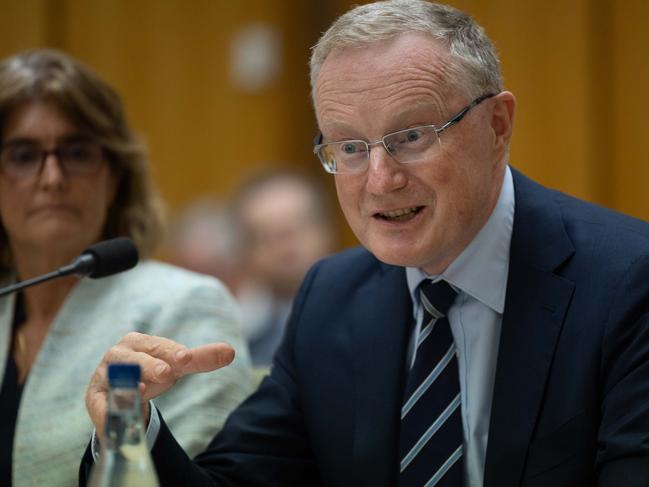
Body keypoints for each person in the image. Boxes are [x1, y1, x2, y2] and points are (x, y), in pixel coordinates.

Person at [81, 1, 649, 486]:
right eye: (349, 147)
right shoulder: (331, 297)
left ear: (498, 126)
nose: (380, 180)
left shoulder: (627, 281)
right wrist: (128, 420)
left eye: (411, 137)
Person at [0, 49, 254, 487]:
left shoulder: (187, 306)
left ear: (114, 175)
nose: (52, 178)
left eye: (77, 153)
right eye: (24, 156)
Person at [231, 168, 336, 366]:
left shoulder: (380, 312)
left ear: (327, 229)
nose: (285, 248)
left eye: (298, 227)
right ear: (245, 249)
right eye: (267, 235)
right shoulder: (233, 337)